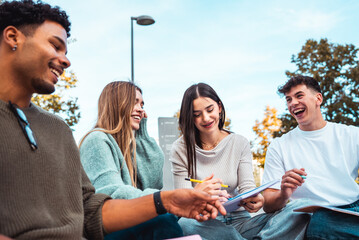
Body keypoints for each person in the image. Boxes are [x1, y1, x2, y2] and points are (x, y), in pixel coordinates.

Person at [0, 1, 226, 239]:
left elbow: (90, 210)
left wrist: (166, 201)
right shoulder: (97, 140)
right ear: (13, 37)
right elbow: (112, 192)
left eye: (66, 52)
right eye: (55, 46)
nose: (66, 61)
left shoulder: (57, 129)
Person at [79, 81, 183, 239]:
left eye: (142, 104)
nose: (141, 109)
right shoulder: (96, 140)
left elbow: (153, 184)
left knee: (186, 224)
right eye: (134, 103)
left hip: (124, 226)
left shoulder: (129, 148)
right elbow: (113, 193)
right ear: (116, 104)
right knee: (163, 222)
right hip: (99, 231)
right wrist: (172, 199)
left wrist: (142, 137)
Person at [261, 75, 359, 239]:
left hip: (353, 209)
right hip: (312, 216)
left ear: (318, 98)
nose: (293, 103)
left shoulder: (352, 135)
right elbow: (268, 205)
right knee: (318, 226)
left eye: (299, 96)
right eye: (288, 99)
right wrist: (284, 193)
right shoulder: (279, 146)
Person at [170, 83, 264, 240]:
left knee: (291, 214)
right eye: (196, 114)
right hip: (204, 222)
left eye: (210, 110)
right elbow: (184, 202)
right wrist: (197, 194)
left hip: (240, 220)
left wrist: (254, 198)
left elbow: (247, 187)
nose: (205, 118)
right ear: (190, 118)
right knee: (184, 225)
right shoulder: (180, 148)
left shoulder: (240, 142)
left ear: (219, 107)